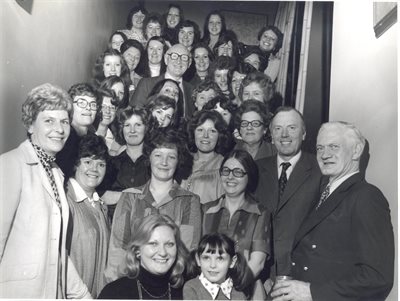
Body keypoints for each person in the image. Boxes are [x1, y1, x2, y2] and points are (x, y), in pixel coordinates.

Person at [271, 122, 394, 301]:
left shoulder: (366, 196)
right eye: (320, 148)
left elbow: (377, 279)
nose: (325, 155)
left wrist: (312, 292)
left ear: (357, 150)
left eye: (333, 147)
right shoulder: (323, 192)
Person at [0, 83, 90, 298]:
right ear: (30, 125)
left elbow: (57, 252)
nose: (59, 129)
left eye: (64, 122)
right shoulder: (11, 164)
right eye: (49, 121)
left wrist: (83, 295)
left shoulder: (56, 173)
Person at [105, 128, 201, 282]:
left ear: (178, 161)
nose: (164, 162)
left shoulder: (189, 201)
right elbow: (118, 248)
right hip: (132, 283)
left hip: (173, 285)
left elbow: (187, 251)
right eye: (158, 155)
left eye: (171, 157)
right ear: (148, 158)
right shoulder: (130, 196)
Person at [253, 107, 322, 292]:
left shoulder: (320, 170)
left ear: (304, 133)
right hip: (260, 275)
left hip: (301, 276)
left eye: (292, 127)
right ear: (271, 135)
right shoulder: (256, 170)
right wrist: (260, 277)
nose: (284, 134)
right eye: (278, 128)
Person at [202, 150, 271, 298]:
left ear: (249, 176)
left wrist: (229, 292)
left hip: (246, 290)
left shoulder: (260, 213)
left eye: (238, 172)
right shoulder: (206, 210)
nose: (230, 177)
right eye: (226, 171)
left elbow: (257, 263)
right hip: (207, 291)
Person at [99, 214, 188, 299]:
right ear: (137, 251)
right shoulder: (114, 293)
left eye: (169, 244)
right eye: (153, 244)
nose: (163, 252)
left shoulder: (188, 291)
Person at [66, 134, 110, 298]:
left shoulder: (101, 206)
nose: (94, 169)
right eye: (87, 162)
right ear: (76, 164)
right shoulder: (66, 202)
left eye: (101, 164)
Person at [99, 107, 152, 218]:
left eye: (138, 125)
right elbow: (100, 195)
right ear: (121, 130)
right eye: (127, 125)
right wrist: (130, 195)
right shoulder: (111, 163)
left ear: (146, 128)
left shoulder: (155, 163)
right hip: (114, 226)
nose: (132, 130)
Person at [181, 110, 232, 204]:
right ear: (193, 133)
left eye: (212, 131)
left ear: (219, 136)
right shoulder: (182, 161)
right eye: (200, 130)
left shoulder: (225, 166)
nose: (205, 136)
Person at [130, 43, 194, 118]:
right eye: (174, 56)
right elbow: (135, 116)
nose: (179, 61)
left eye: (184, 58)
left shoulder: (191, 89)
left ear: (189, 63)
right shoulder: (146, 84)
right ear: (166, 59)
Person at [183, 233, 248, 300]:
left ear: (232, 262)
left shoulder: (240, 296)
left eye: (220, 259)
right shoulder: (192, 288)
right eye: (206, 258)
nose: (212, 265)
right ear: (198, 259)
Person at [56, 83, 97, 178]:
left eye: (93, 104)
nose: (88, 108)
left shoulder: (92, 138)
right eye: (82, 103)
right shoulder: (64, 138)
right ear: (70, 107)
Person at [94, 88, 122, 155]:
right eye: (103, 107)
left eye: (112, 108)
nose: (108, 111)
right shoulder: (87, 135)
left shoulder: (116, 137)